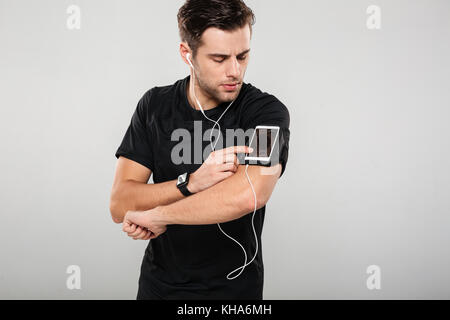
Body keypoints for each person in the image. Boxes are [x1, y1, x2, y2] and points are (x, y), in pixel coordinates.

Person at [110, 0, 290, 300]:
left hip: (233, 294)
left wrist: (160, 216)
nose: (235, 71)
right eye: (219, 58)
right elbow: (119, 203)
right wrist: (191, 182)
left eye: (242, 56)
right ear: (187, 54)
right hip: (159, 288)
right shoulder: (153, 106)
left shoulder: (267, 114)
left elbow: (250, 193)